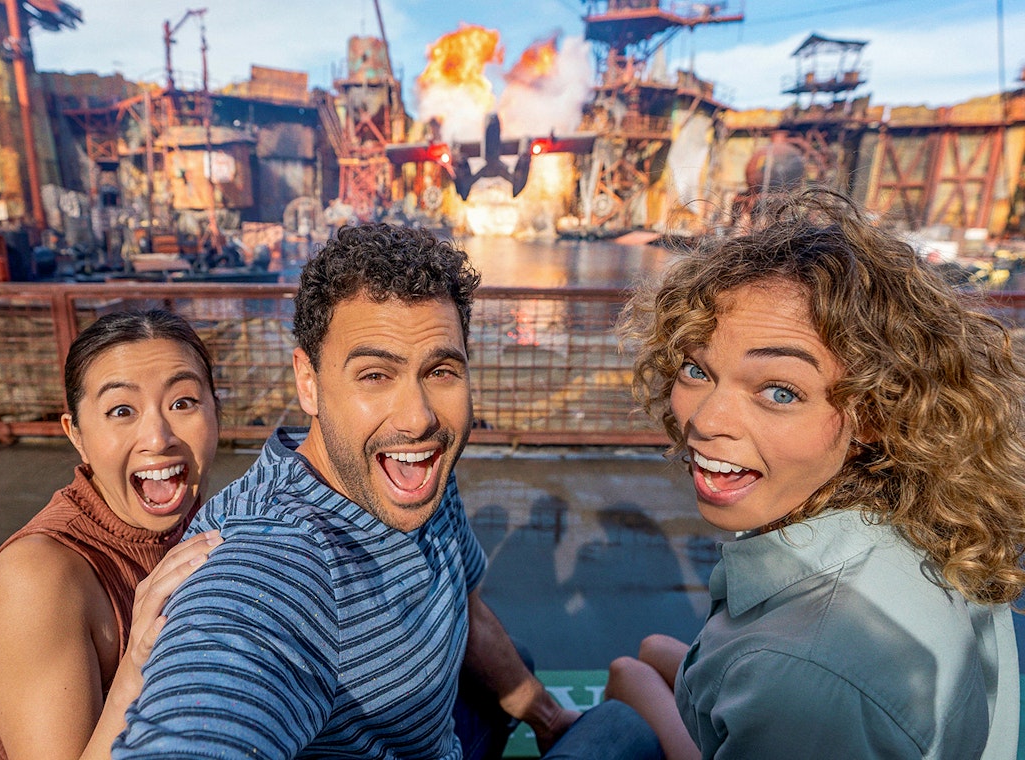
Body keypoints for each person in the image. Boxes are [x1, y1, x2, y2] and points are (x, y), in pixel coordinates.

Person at [113, 223, 662, 759]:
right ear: (309, 382)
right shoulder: (274, 560)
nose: (418, 419)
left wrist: (547, 718)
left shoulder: (414, 475)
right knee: (621, 727)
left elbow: (462, 606)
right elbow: (213, 697)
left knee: (517, 661)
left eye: (440, 371)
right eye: (375, 375)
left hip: (433, 734)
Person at [606, 190, 1024, 759]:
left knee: (626, 685)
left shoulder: (805, 674)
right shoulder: (933, 524)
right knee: (652, 651)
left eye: (780, 391)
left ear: (875, 411)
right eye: (695, 368)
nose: (705, 420)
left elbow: (802, 686)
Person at [0, 309, 224, 760]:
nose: (158, 436)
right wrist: (137, 664)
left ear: (216, 412)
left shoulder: (209, 524)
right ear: (78, 435)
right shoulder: (35, 578)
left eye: (183, 402)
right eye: (121, 410)